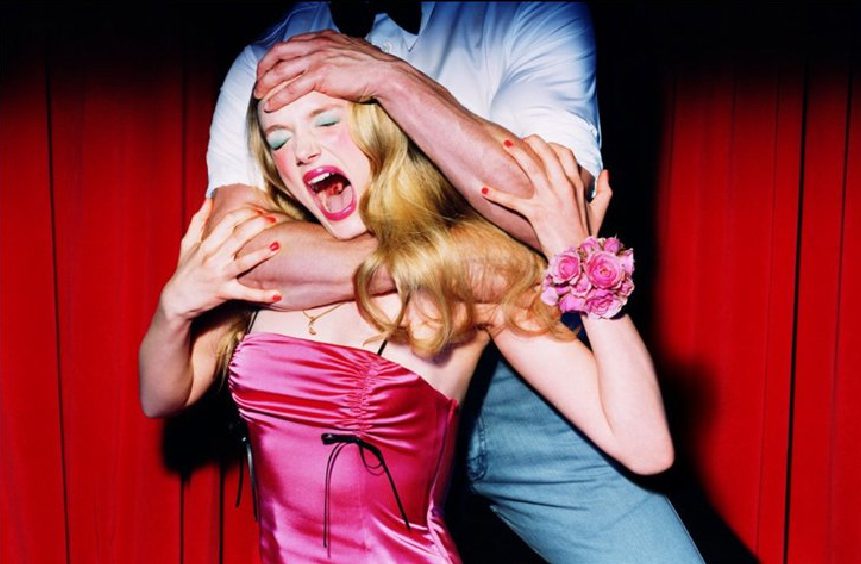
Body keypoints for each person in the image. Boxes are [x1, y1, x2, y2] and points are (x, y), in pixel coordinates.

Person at [199, 2, 702, 562]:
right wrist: (449, 263)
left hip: (526, 366)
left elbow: (543, 205)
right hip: (359, 364)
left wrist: (392, 81)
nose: (304, 149)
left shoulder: (532, 14)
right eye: (281, 141)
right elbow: (233, 256)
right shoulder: (270, 58)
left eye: (325, 123)